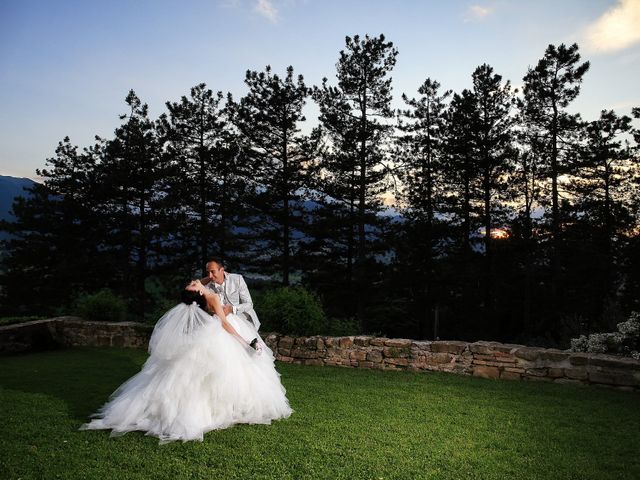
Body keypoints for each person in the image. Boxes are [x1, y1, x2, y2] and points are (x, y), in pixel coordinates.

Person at [80, 282, 292, 443]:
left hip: (205, 334)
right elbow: (225, 324)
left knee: (188, 377)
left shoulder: (200, 297)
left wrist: (200, 283)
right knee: (222, 377)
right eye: (192, 284)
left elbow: (200, 293)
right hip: (217, 335)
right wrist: (246, 341)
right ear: (199, 292)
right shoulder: (212, 298)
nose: (194, 280)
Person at [200, 258, 261, 330]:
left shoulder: (237, 279)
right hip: (222, 322)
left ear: (222, 270)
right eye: (208, 272)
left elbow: (249, 304)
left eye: (213, 272)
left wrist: (232, 309)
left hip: (243, 319)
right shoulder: (207, 288)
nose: (210, 276)